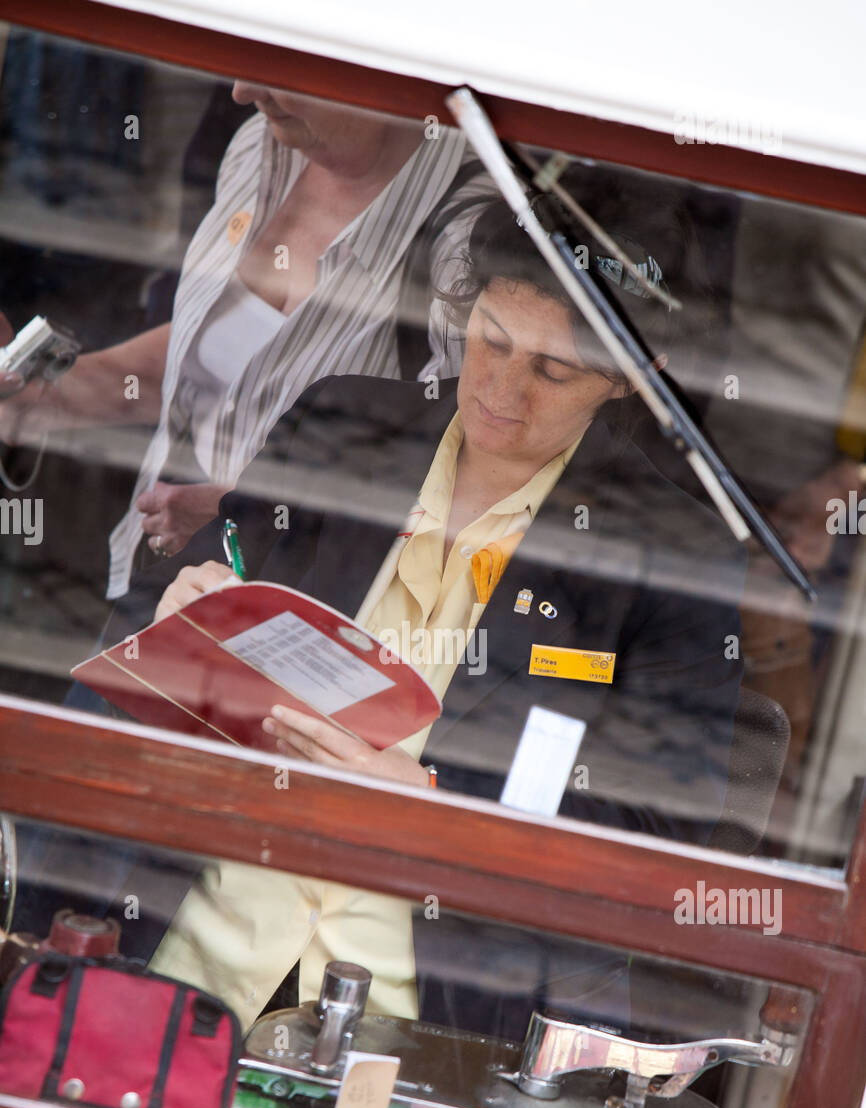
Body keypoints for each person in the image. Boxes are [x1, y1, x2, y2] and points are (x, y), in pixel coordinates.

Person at [138, 199, 745, 1031]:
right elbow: (207, 586)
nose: (498, 388)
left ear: (637, 374)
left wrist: (436, 805)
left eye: (552, 372)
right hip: (191, 950)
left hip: (432, 1017)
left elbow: (658, 824)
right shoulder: (344, 424)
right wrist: (183, 614)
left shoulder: (675, 556)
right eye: (490, 337)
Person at [0, 82, 491, 598]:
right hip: (161, 574)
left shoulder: (470, 232)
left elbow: (456, 479)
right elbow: (220, 360)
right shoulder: (259, 146)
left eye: (280, 60)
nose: (242, 91)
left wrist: (241, 511)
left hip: (290, 606)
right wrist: (46, 398)